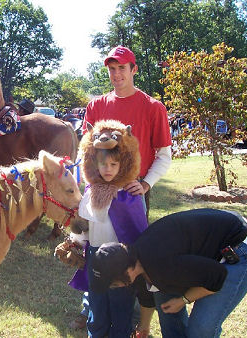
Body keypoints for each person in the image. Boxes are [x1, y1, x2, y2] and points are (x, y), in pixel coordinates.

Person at [73, 45, 172, 331]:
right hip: (99, 193)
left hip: (132, 195)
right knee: (93, 250)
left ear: (133, 70)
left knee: (129, 256)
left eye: (122, 68)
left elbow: (164, 154)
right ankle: (93, 309)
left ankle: (125, 317)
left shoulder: (153, 107)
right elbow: (86, 152)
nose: (116, 75)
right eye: (111, 69)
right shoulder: (96, 106)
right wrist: (88, 185)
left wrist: (144, 183)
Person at [89, 208, 247, 338]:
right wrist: (144, 325)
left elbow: (217, 277)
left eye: (113, 283)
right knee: (166, 310)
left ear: (127, 270)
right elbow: (146, 295)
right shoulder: (135, 261)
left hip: (237, 248)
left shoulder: (164, 265)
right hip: (209, 249)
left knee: (200, 330)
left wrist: (183, 300)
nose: (114, 286)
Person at [71, 124, 150, 338]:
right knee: (97, 301)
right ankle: (96, 333)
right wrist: (76, 243)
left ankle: (121, 334)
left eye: (114, 164)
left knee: (121, 303)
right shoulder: (90, 191)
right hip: (95, 255)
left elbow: (137, 228)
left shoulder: (130, 193)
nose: (108, 169)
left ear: (123, 163)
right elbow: (84, 224)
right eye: (103, 164)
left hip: (121, 260)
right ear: (94, 163)